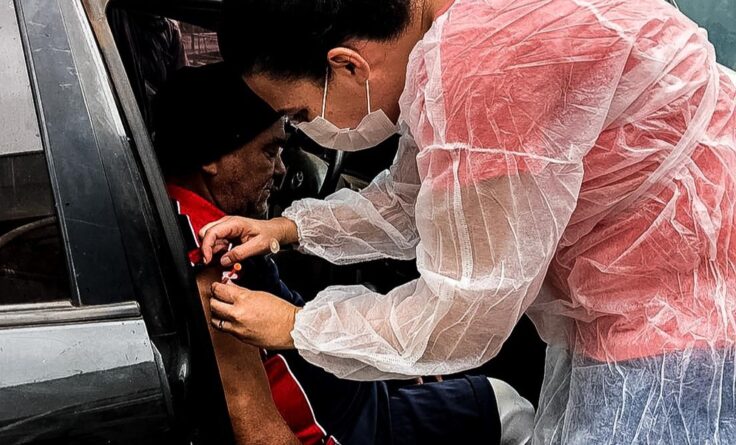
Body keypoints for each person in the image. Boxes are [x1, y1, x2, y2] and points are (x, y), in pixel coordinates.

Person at [197, 0, 736, 443]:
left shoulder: (479, 62)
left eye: (300, 115)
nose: (305, 133)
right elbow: (414, 199)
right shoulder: (460, 30)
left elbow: (467, 311)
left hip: (681, 317)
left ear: (348, 66)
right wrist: (289, 230)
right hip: (657, 294)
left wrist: (298, 326)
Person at [154, 63, 534, 445]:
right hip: (353, 428)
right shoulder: (213, 260)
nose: (282, 169)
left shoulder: (187, 218)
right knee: (510, 408)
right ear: (211, 157)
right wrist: (307, 328)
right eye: (270, 152)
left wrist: (382, 360)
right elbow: (256, 427)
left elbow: (398, 208)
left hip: (356, 396)